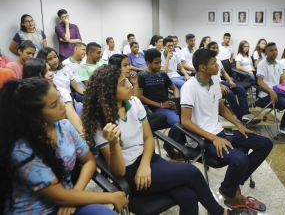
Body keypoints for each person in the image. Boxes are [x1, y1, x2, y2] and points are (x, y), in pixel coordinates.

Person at [81, 65, 243, 215]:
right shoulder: (101, 123)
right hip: (130, 174)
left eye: (127, 80)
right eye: (123, 83)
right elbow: (118, 172)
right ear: (109, 91)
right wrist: (114, 143)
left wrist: (145, 164)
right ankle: (221, 213)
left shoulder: (134, 103)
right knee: (192, 172)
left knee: (189, 196)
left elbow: (148, 138)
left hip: (149, 160)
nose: (130, 85)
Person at [0, 78, 128, 215]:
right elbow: (58, 196)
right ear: (34, 115)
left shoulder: (64, 126)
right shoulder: (22, 150)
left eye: (59, 98)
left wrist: (74, 195)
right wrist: (112, 197)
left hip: (68, 199)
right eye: (54, 105)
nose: (62, 105)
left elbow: (89, 161)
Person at [181, 49, 272, 211]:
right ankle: (228, 191)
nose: (218, 65)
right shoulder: (189, 87)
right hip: (202, 139)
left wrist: (239, 125)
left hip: (219, 132)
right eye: (214, 63)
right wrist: (214, 138)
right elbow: (185, 122)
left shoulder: (215, 81)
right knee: (240, 159)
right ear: (202, 67)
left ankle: (232, 186)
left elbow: (221, 107)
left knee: (265, 143)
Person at [134, 49, 184, 160]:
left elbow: (174, 88)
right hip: (156, 109)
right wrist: (160, 105)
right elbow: (140, 97)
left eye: (160, 62)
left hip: (169, 106)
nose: (159, 65)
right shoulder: (142, 76)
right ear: (148, 63)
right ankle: (169, 148)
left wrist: (176, 101)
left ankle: (183, 146)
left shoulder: (162, 74)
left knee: (189, 119)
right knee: (178, 122)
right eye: (156, 63)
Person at [108, 53, 169, 133]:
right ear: (116, 67)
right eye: (125, 65)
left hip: (135, 111)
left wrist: (135, 83)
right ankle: (141, 133)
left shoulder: (127, 80)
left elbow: (135, 99)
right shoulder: (111, 84)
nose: (129, 68)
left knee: (161, 117)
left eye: (129, 65)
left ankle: (141, 132)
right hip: (124, 115)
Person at [22, 58, 84, 133]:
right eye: (45, 72)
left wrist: (84, 132)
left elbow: (71, 113)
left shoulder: (61, 91)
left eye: (50, 70)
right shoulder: (25, 97)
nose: (51, 74)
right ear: (33, 75)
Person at [208, 41, 260, 124]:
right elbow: (208, 78)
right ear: (208, 49)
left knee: (240, 89)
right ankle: (240, 116)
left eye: (217, 48)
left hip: (220, 82)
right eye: (213, 48)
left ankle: (246, 114)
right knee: (230, 93)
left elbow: (223, 72)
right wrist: (220, 85)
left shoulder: (217, 59)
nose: (215, 50)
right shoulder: (207, 61)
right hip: (212, 84)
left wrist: (230, 80)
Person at [37, 47, 85, 114]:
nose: (55, 60)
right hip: (57, 102)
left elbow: (76, 87)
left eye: (55, 57)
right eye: (50, 59)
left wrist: (89, 93)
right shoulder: (46, 75)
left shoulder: (65, 68)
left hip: (69, 98)